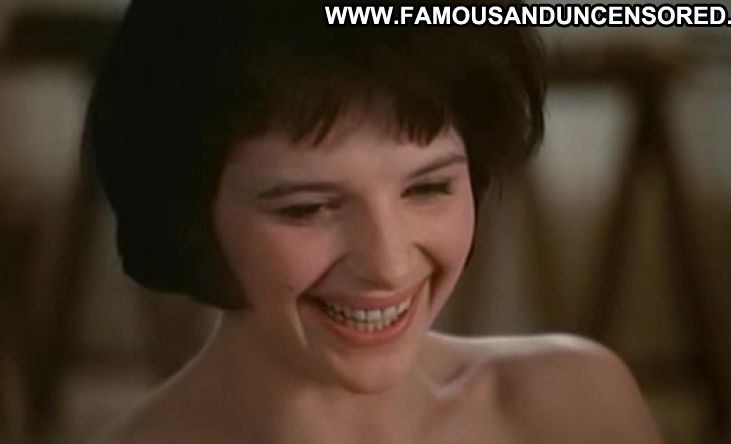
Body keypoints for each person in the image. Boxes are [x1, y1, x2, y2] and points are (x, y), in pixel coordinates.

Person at [85, 1, 663, 442]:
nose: (388, 264)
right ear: (190, 212)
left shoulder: (573, 406)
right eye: (308, 208)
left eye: (429, 188)